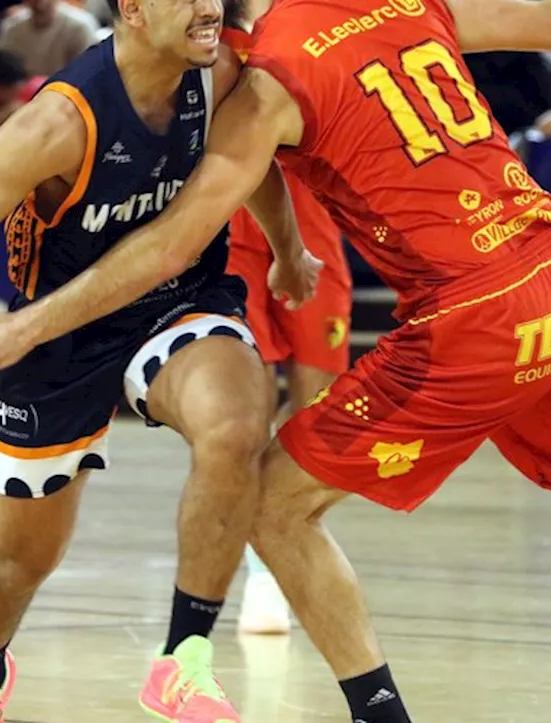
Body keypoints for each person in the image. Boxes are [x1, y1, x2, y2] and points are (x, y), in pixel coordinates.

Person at [0, 0, 551, 721]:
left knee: (270, 504)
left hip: (474, 314)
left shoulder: (271, 74)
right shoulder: (403, 3)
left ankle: (374, 713)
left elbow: (168, 245)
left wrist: (24, 324)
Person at [0, 0, 308, 719]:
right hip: (57, 333)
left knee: (236, 423)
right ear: (133, 10)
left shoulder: (220, 72)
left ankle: (184, 659)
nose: (210, 7)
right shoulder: (57, 124)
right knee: (18, 563)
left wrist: (288, 250)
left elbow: (248, 157)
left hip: (180, 297)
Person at [220, 0, 354, 636]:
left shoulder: (323, 30)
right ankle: (260, 572)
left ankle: (289, 533)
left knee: (312, 406)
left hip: (317, 227)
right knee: (245, 407)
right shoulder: (209, 39)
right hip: (231, 235)